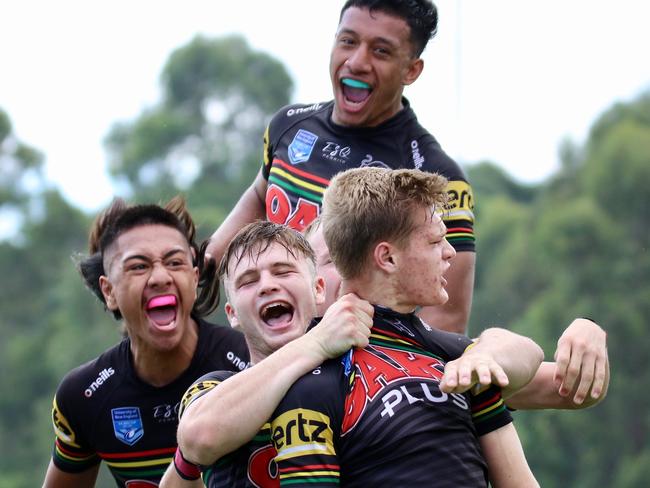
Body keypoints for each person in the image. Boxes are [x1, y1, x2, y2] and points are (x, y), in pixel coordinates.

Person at [161, 221, 544, 487]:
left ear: (318, 290)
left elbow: (537, 374)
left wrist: (578, 330)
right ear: (232, 315)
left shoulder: (375, 367)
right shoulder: (216, 387)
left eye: (283, 271)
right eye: (248, 281)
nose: (267, 286)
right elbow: (198, 437)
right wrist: (312, 344)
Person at [207, 0, 475, 334]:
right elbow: (260, 196)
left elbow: (447, 318)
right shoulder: (288, 125)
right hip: (272, 343)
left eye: (380, 51)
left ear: (411, 70)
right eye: (348, 41)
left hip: (355, 362)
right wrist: (206, 263)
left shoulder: (434, 176)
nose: (357, 61)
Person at [267, 167, 543, 487]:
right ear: (388, 258)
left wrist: (486, 353)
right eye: (435, 241)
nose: (450, 252)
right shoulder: (312, 384)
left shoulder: (461, 360)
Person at [42, 197, 250, 488]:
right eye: (139, 267)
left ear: (193, 277)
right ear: (109, 290)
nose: (160, 277)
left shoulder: (250, 362)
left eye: (174, 262)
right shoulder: (84, 397)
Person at [304, 218, 610, 408]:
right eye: (334, 261)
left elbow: (567, 390)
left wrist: (588, 329)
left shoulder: (434, 356)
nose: (348, 273)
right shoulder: (285, 357)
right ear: (308, 282)